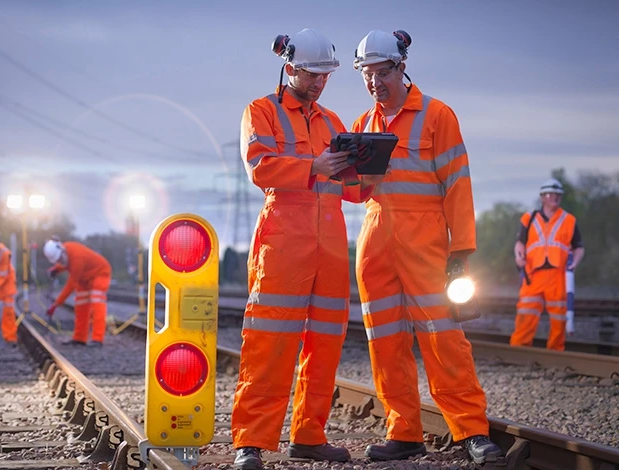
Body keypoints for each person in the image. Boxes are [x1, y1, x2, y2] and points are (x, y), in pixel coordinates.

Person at [349, 30, 502, 465]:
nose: (376, 82)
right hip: (376, 237)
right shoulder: (363, 124)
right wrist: (345, 172)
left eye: (383, 72)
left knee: (443, 337)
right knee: (385, 341)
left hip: (426, 240)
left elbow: (458, 183)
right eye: (367, 74)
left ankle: (471, 429)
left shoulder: (437, 115)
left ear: (402, 66)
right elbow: (357, 193)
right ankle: (404, 433)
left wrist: (462, 249)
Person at [231, 28, 369, 470]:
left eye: (326, 76)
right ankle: (250, 442)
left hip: (329, 244)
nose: (320, 83)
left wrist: (366, 172)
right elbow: (260, 167)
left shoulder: (331, 122)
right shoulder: (261, 111)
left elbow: (350, 190)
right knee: (269, 342)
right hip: (283, 240)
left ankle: (309, 436)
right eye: (312, 75)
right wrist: (314, 166)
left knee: (326, 342)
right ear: (289, 68)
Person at [510, 178, 584, 350]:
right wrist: (518, 255)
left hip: (558, 275)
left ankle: (555, 352)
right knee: (526, 312)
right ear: (542, 197)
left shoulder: (569, 220)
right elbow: (520, 242)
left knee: (559, 316)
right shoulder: (529, 218)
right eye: (550, 194)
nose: (555, 197)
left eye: (558, 194)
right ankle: (518, 350)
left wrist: (575, 264)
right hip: (532, 274)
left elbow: (579, 247)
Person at [43, 237, 112, 347]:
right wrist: (56, 269)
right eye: (57, 261)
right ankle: (79, 338)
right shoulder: (64, 251)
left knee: (97, 302)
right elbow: (66, 263)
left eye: (59, 259)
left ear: (61, 250)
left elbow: (71, 284)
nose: (60, 261)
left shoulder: (77, 258)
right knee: (81, 305)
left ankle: (97, 339)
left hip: (100, 273)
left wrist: (56, 303)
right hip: (84, 277)